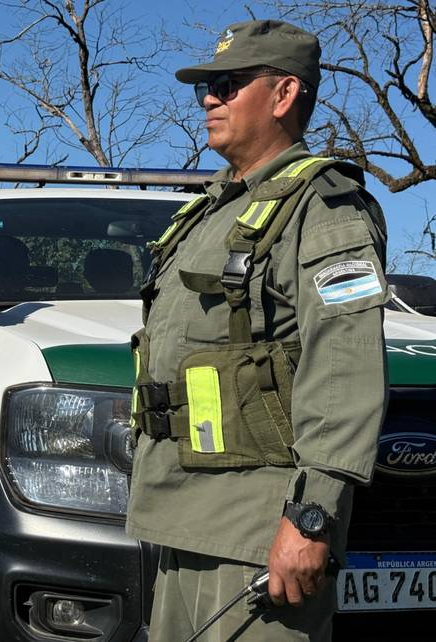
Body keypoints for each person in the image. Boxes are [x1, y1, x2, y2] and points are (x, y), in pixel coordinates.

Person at [126, 20, 388, 641]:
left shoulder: (323, 207)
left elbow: (344, 369)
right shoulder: (211, 213)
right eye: (206, 88)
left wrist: (311, 518)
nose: (210, 99)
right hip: (178, 513)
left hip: (257, 530)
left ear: (283, 94)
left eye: (228, 84)